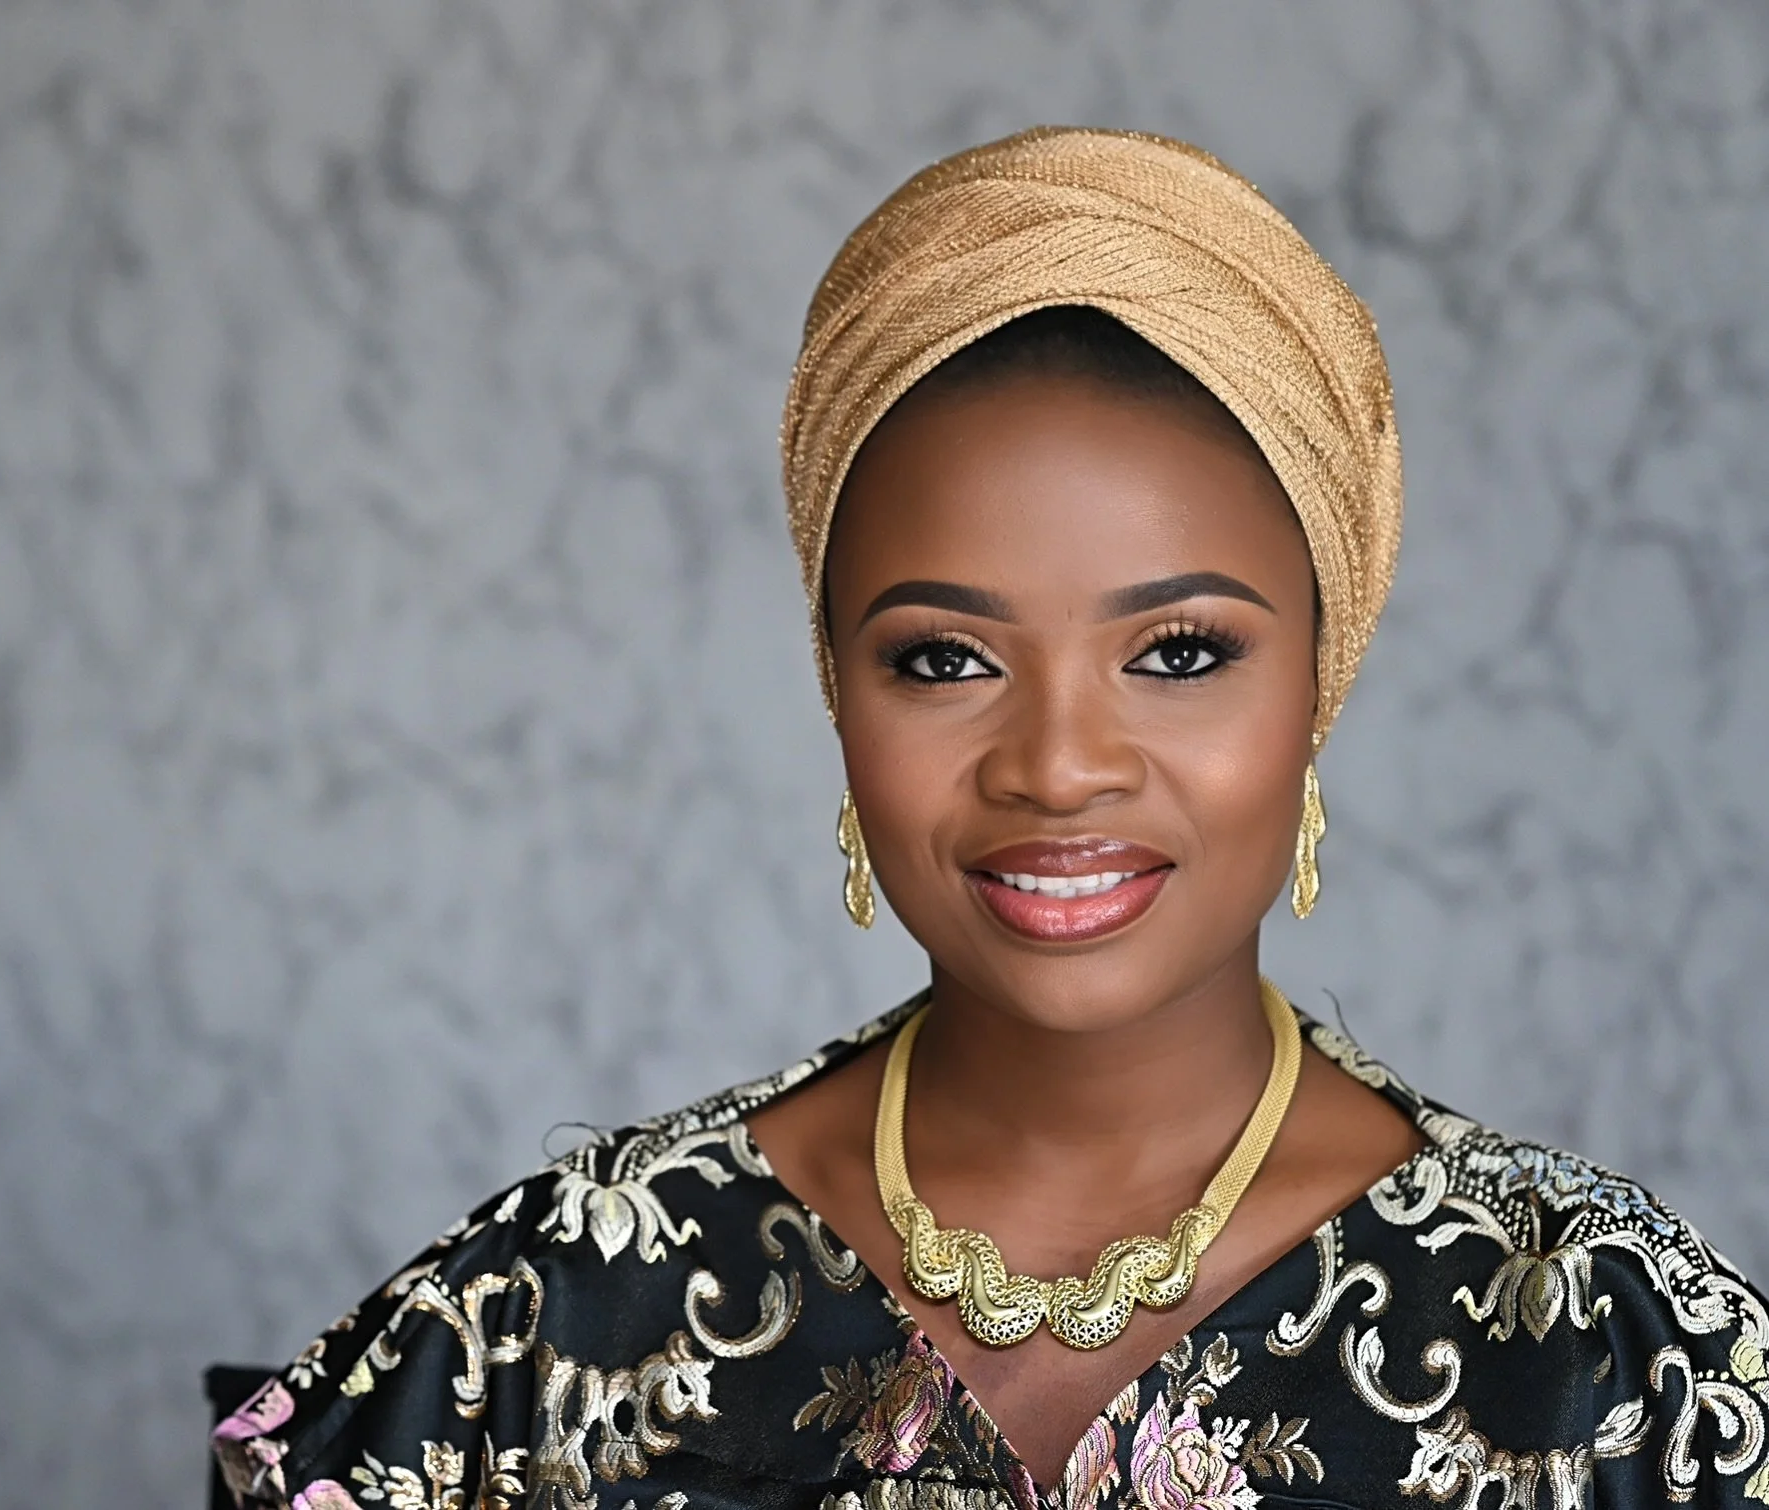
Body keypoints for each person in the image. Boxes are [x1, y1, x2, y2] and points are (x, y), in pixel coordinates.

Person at [212, 128, 1766, 1510]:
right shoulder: (537, 1332)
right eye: (944, 658)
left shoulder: (1612, 1358)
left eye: (1179, 652)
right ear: (837, 686)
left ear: (1321, 679)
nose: (1058, 765)